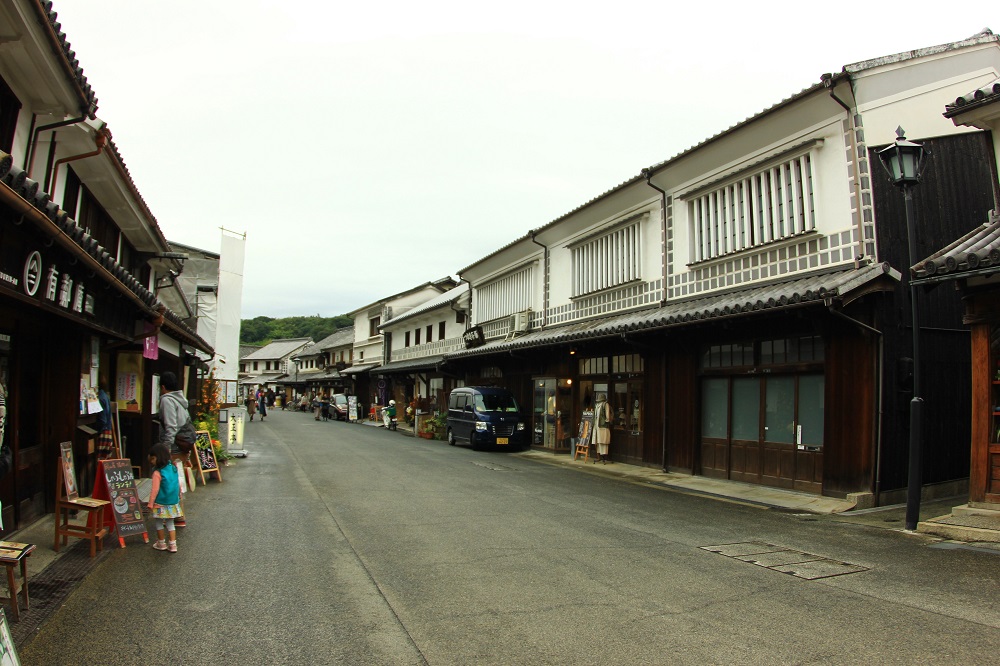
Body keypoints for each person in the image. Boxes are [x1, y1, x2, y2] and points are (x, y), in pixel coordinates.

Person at [147, 443, 183, 553]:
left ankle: (161, 543)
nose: (151, 461)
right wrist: (179, 494)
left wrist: (150, 503)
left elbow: (155, 490)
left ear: (158, 457)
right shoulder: (173, 468)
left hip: (160, 502)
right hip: (172, 501)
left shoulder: (157, 473)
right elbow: (177, 483)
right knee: (170, 523)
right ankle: (173, 545)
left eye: (153, 458)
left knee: (158, 522)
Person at [95, 382, 115, 459]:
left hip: (103, 432)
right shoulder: (105, 396)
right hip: (108, 431)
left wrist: (98, 431)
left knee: (98, 460)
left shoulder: (100, 398)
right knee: (105, 461)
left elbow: (102, 420)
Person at [592, 392, 612, 464]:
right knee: (597, 441)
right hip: (597, 426)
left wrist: (606, 421)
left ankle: (604, 457)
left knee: (603, 441)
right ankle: (599, 456)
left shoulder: (605, 404)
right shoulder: (597, 405)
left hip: (602, 426)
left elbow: (607, 416)